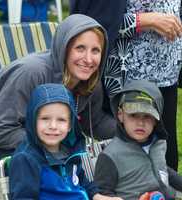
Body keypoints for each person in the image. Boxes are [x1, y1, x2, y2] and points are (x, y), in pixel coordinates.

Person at [0, 14, 117, 182]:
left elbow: (95, 122)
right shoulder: (33, 73)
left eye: (95, 50)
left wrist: (130, 131)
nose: (88, 59)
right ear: (65, 48)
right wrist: (56, 142)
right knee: (63, 168)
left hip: (36, 142)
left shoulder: (88, 80)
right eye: (80, 48)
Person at [70, 0, 182, 171]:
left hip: (166, 78)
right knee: (131, 159)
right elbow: (92, 26)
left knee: (166, 154)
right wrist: (146, 20)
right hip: (127, 81)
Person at [9, 83, 121, 200]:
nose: (53, 126)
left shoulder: (70, 150)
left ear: (70, 125)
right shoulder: (26, 159)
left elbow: (81, 180)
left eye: (61, 120)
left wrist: (98, 196)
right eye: (45, 118)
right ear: (33, 120)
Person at [94, 80, 182, 200]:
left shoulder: (158, 144)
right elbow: (102, 194)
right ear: (120, 115)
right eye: (133, 115)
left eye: (147, 116)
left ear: (156, 120)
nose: (140, 123)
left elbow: (163, 169)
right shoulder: (110, 156)